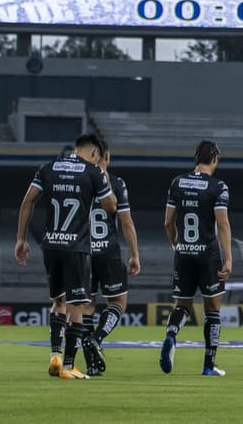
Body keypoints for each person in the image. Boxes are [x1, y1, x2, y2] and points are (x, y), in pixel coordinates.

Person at [14, 133, 116, 380]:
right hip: (76, 247)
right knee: (77, 306)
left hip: (51, 245)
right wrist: (103, 174)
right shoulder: (93, 172)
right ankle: (69, 365)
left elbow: (28, 201)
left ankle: (55, 354)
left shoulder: (48, 168)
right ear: (94, 154)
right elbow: (111, 206)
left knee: (57, 302)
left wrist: (21, 238)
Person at [160, 140, 232, 377]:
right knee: (212, 309)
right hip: (208, 254)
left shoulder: (176, 183)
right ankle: (208, 366)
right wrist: (229, 258)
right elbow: (222, 223)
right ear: (214, 159)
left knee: (183, 306)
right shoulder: (218, 186)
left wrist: (176, 246)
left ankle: (171, 334)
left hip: (184, 253)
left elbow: (168, 222)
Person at [83, 141, 141, 376]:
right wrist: (135, 254)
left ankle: (91, 364)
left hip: (83, 251)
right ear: (105, 155)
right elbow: (126, 222)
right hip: (108, 251)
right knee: (117, 303)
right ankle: (96, 339)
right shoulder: (116, 183)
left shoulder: (81, 181)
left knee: (86, 307)